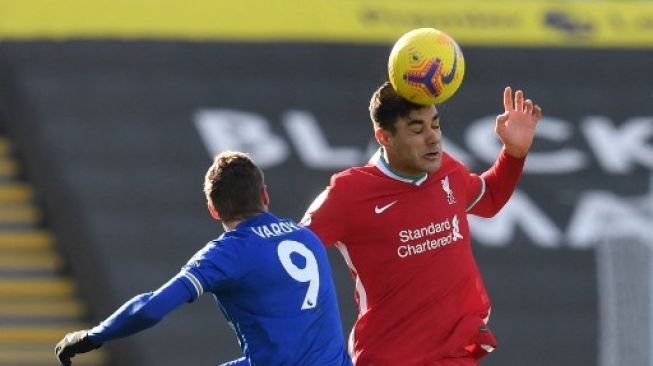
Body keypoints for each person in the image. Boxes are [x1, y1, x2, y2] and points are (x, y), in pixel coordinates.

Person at [301, 82, 542, 365]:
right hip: (392, 357)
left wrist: (513, 153)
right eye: (417, 130)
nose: (433, 138)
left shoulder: (447, 169)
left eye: (435, 126)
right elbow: (291, 250)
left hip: (456, 354)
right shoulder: (349, 192)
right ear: (384, 137)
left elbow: (488, 198)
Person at [55, 151, 353, 366]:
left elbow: (151, 308)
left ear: (213, 209)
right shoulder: (305, 237)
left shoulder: (226, 253)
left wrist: (93, 336)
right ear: (265, 194)